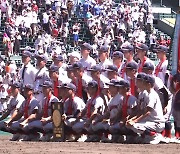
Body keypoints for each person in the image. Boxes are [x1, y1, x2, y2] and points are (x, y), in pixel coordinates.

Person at [126, 75, 165, 144]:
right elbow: (141, 111)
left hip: (157, 123)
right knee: (130, 124)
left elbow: (148, 112)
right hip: (150, 121)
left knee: (135, 126)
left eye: (144, 82)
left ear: (149, 84)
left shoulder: (152, 95)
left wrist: (135, 121)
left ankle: (155, 135)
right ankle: (146, 136)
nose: (142, 83)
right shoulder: (145, 93)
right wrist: (132, 119)